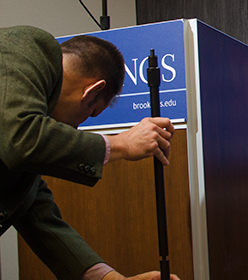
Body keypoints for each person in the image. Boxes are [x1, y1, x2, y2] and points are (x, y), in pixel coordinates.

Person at [0, 25, 180, 280]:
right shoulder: (28, 45)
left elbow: (39, 216)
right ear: (92, 92)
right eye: (91, 114)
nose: (77, 127)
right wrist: (122, 144)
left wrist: (110, 279)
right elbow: (21, 139)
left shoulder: (23, 141)